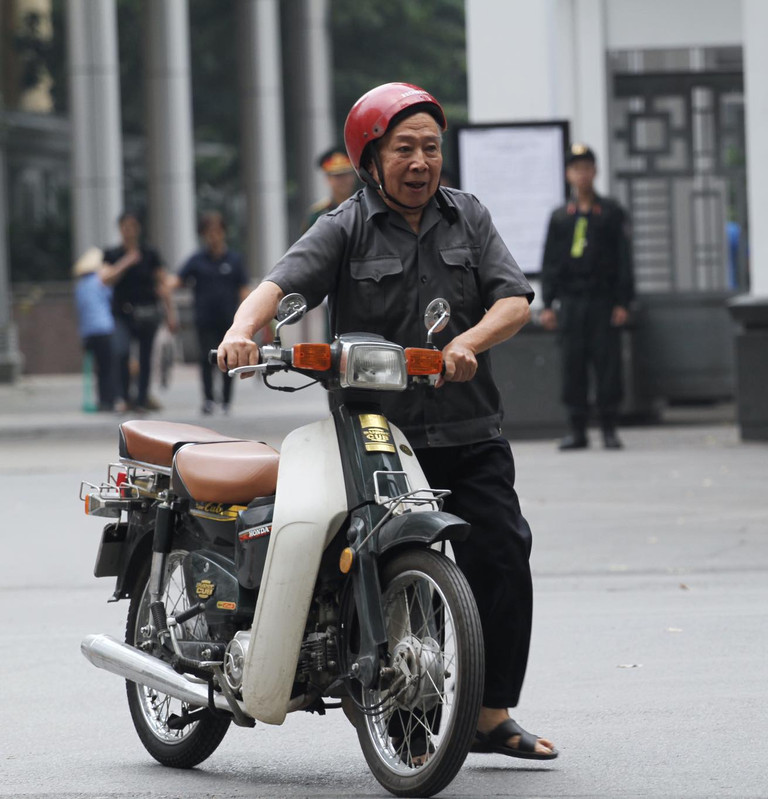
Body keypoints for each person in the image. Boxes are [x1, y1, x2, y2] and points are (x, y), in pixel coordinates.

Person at [217, 82, 557, 760]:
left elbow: (514, 299)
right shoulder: (345, 224)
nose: (420, 162)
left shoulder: (470, 217)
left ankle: (492, 714)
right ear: (372, 158)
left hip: (469, 427)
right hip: (377, 433)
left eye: (431, 148)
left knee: (503, 554)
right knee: (372, 558)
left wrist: (469, 342)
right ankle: (398, 714)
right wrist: (241, 329)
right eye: (405, 148)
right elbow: (282, 282)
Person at [539, 143, 634, 450]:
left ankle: (609, 427)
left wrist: (623, 301)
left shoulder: (610, 213)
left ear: (595, 172)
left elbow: (623, 258)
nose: (582, 174)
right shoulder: (560, 218)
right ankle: (577, 428)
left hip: (603, 300)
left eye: (587, 168)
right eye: (576, 168)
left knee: (607, 365)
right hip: (572, 302)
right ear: (568, 174)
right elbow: (550, 262)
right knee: (573, 365)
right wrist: (548, 302)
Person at [101, 210, 176, 413]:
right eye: (126, 227)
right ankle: (125, 397)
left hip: (147, 312)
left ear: (139, 229)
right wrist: (126, 262)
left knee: (145, 357)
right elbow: (105, 279)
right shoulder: (113, 254)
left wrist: (170, 313)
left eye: (133, 226)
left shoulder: (150, 253)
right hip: (122, 313)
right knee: (121, 351)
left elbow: (162, 284)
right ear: (120, 229)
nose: (129, 231)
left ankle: (142, 398)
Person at [177, 211, 250, 414]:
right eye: (209, 232)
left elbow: (244, 290)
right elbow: (177, 281)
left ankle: (226, 400)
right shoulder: (197, 260)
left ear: (224, 233)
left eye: (217, 231)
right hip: (204, 319)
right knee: (206, 359)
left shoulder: (234, 260)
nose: (213, 236)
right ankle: (208, 399)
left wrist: (250, 317)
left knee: (229, 359)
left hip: (229, 320)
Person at [73, 246, 117, 412]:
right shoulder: (100, 283)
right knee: (108, 367)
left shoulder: (79, 287)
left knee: (99, 369)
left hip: (88, 332)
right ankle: (110, 400)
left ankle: (102, 400)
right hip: (104, 328)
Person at [303, 147, 359, 232]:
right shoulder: (318, 215)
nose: (343, 180)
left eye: (346, 174)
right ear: (328, 179)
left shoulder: (366, 208)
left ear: (354, 176)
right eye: (337, 176)